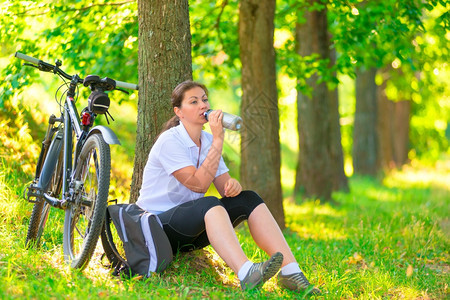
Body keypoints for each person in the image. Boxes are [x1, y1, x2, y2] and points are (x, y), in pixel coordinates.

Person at [136, 80, 320, 294]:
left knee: (248, 198)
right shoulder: (170, 141)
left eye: (204, 99)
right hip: (156, 227)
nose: (203, 105)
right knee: (208, 203)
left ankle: (291, 272)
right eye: (194, 101)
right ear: (179, 112)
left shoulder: (206, 140)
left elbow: (225, 187)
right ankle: (246, 272)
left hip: (189, 226)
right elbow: (197, 185)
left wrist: (234, 185)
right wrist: (219, 138)